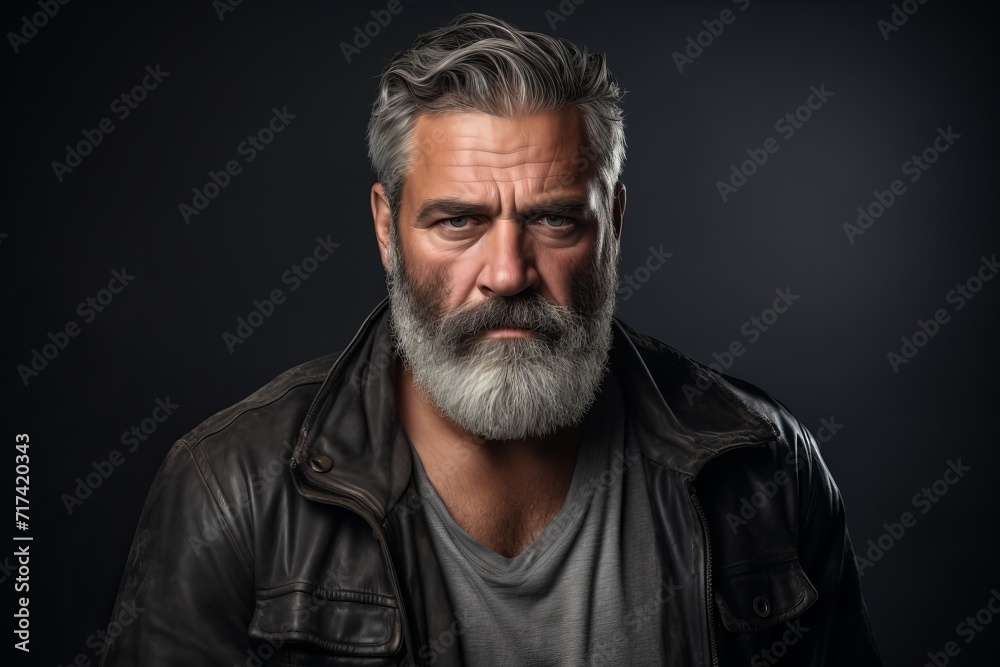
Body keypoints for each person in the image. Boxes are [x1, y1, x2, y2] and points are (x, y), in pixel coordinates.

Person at [102, 12, 881, 666]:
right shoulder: (229, 488)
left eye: (553, 219)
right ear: (385, 227)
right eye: (459, 221)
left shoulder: (762, 468)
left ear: (611, 225)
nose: (507, 273)